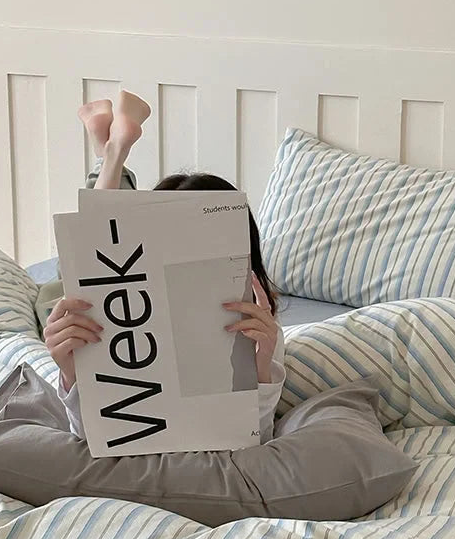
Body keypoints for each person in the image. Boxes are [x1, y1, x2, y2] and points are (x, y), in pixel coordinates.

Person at [44, 90, 285, 444]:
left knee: (103, 254)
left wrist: (260, 369)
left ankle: (109, 155)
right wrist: (70, 373)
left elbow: (253, 441)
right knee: (97, 270)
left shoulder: (258, 327)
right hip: (94, 293)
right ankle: (110, 154)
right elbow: (88, 439)